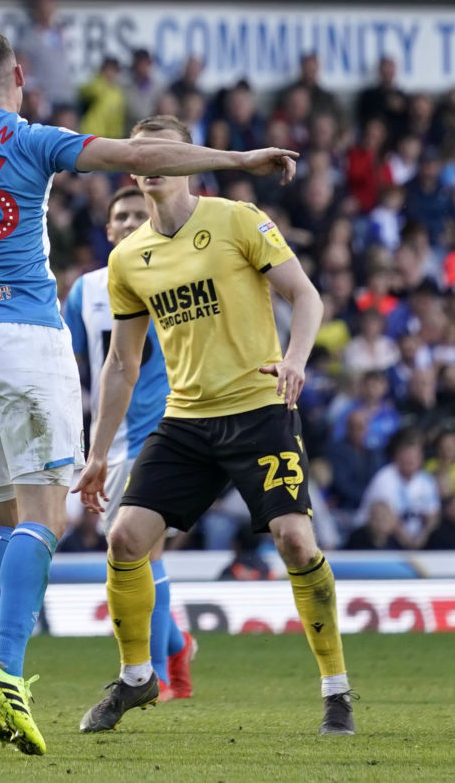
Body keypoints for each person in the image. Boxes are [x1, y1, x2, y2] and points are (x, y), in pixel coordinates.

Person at [0, 28, 298, 755]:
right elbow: (138, 156)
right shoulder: (33, 138)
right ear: (18, 75)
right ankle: (5, 670)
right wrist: (237, 160)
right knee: (46, 519)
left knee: (6, 520)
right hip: (26, 341)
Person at [73, 114, 355, 738]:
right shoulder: (128, 258)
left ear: (189, 161)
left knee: (295, 541)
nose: (150, 164)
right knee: (124, 539)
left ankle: (336, 690)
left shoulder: (237, 220)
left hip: (258, 409)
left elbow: (307, 296)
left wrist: (295, 360)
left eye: (163, 152)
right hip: (186, 420)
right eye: (140, 154)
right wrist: (97, 453)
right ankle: (137, 677)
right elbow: (121, 363)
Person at [62, 185, 194, 701]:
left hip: (162, 430)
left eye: (140, 213)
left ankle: (155, 672)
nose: (131, 221)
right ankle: (178, 647)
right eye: (122, 216)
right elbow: (71, 364)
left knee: (143, 552)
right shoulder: (86, 290)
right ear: (109, 228)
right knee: (129, 558)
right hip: (108, 438)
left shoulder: (178, 275)